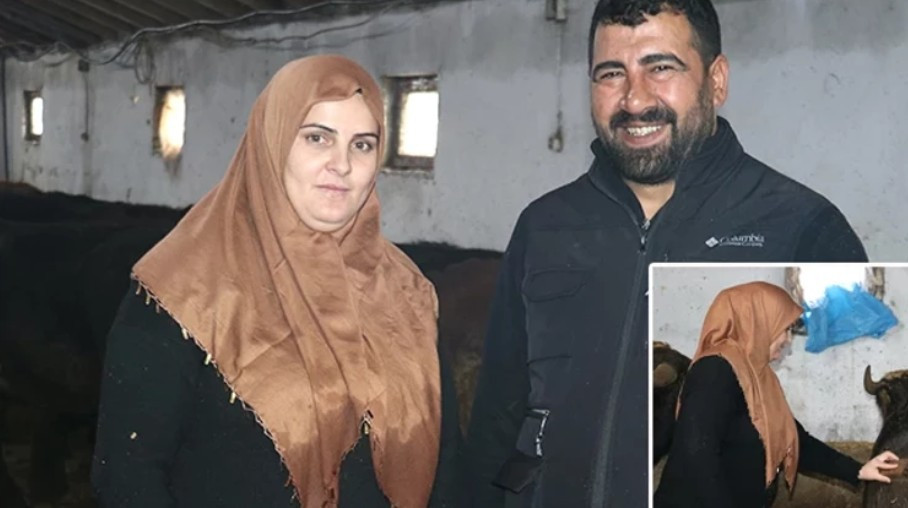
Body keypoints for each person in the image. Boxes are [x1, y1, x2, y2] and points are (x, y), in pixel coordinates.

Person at [465, 0, 868, 506]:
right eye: (611, 73)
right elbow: (497, 418)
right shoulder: (544, 225)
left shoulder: (804, 226)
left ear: (716, 81)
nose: (634, 99)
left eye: (660, 67)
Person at [90, 55, 459, 508]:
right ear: (273, 142)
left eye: (362, 145)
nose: (342, 164)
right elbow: (128, 478)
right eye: (317, 138)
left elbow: (449, 465)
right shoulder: (181, 294)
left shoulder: (406, 292)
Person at [654, 281, 899, 507]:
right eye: (785, 329)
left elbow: (796, 440)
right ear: (758, 323)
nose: (788, 340)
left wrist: (858, 470)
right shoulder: (715, 370)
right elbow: (698, 454)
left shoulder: (758, 375)